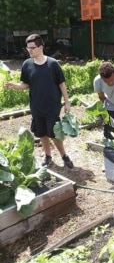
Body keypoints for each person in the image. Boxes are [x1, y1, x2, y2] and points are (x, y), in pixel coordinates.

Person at [5, 33, 73, 169]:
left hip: (52, 107)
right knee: (41, 133)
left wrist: (67, 102)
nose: (29, 50)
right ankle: (47, 155)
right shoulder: (27, 64)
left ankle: (64, 155)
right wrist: (14, 86)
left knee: (54, 133)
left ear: (41, 47)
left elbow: (61, 83)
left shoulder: (53, 64)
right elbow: (26, 84)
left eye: (32, 48)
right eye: (27, 48)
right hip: (36, 106)